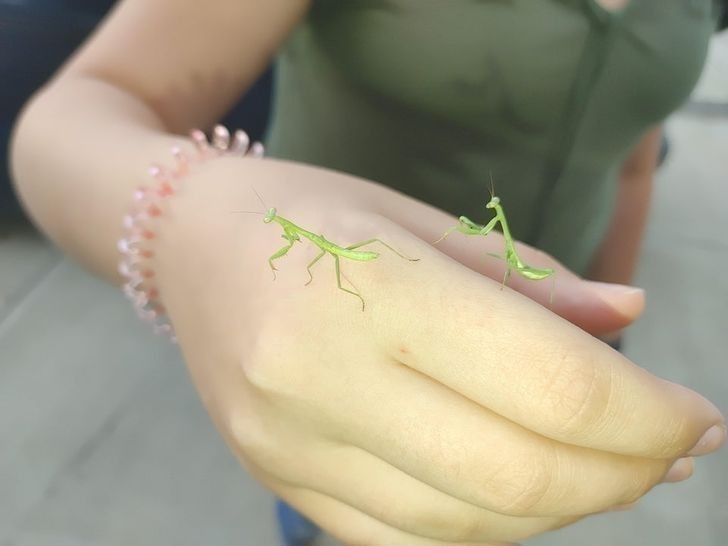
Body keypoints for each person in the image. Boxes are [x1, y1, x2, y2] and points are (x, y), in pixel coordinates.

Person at [8, 1, 726, 545]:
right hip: (348, 374)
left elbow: (632, 154)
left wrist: (610, 326)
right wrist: (192, 223)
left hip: (550, 339)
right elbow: (71, 116)